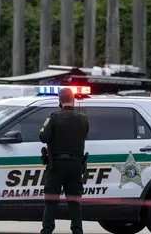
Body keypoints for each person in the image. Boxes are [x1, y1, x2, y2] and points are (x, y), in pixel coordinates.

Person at [38, 87, 90, 234]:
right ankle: (77, 231)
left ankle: (47, 230)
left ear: (59, 101)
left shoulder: (53, 117)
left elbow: (43, 137)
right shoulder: (83, 118)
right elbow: (85, 134)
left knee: (51, 201)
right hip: (75, 165)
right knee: (75, 202)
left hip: (56, 165)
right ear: (73, 100)